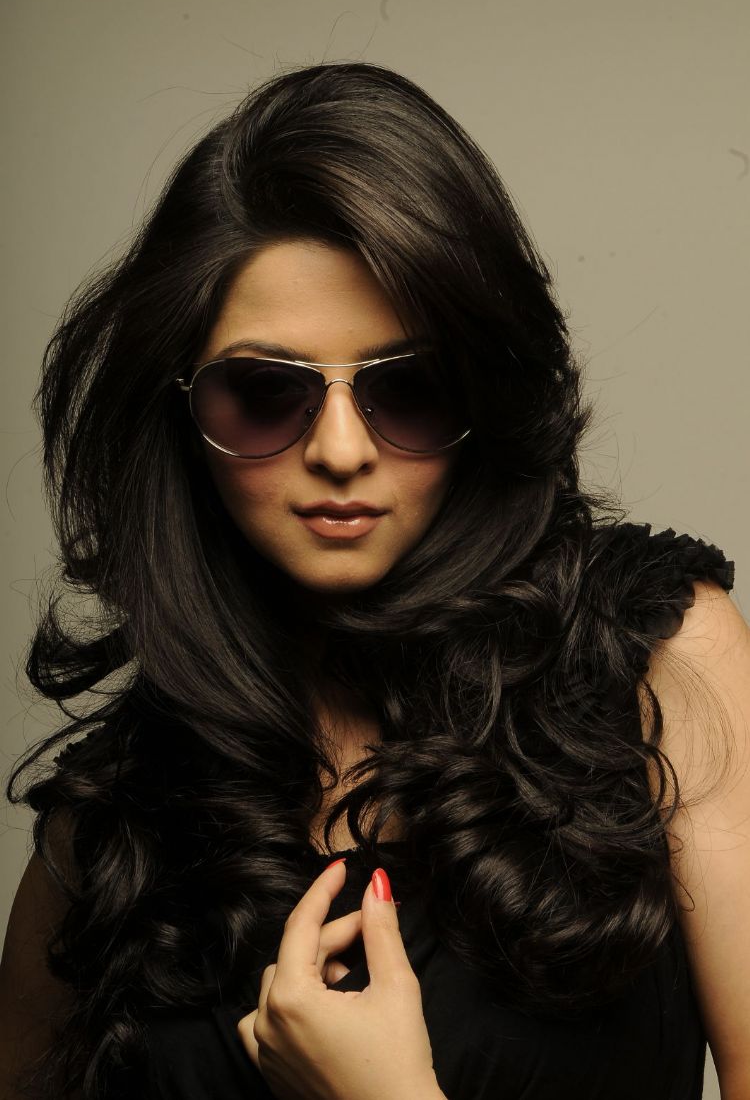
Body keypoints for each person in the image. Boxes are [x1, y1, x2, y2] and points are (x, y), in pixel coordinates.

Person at [1, 60, 748, 1100]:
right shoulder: (111, 823)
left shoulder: (658, 662)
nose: (342, 450)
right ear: (180, 415)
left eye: (411, 387)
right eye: (266, 392)